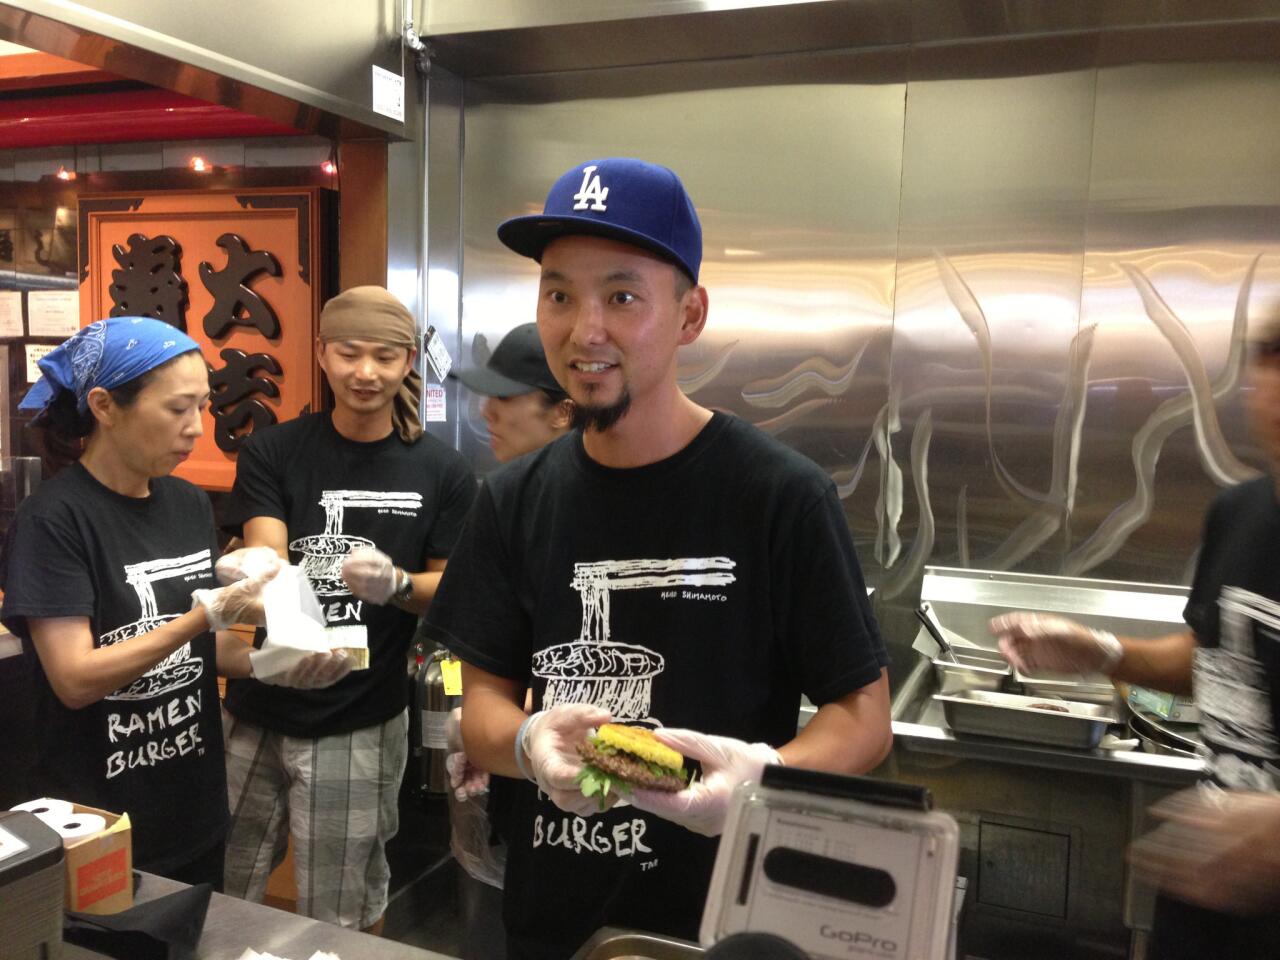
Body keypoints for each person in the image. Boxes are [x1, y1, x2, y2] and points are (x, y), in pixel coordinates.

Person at [424, 157, 892, 959]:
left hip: (723, 923)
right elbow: (484, 709)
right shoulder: (513, 499)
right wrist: (532, 743)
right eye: (559, 294)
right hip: (552, 922)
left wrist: (763, 773)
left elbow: (864, 719)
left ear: (690, 314)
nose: (585, 329)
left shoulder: (779, 495)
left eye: (623, 296)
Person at [0, 317, 348, 888]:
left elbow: (195, 652)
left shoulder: (187, 504)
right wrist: (203, 615)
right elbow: (76, 678)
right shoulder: (55, 521)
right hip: (98, 821)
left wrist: (267, 665)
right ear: (105, 405)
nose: (195, 429)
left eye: (203, 408)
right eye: (177, 409)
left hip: (193, 806)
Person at [990, 311, 1280, 959]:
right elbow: (1218, 657)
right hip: (1214, 904)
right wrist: (1104, 653)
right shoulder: (1242, 514)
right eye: (1272, 357)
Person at [219, 286, 477, 932]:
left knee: (336, 909)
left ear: (409, 361)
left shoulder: (442, 471)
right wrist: (260, 589)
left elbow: (450, 586)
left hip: (361, 718)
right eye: (350, 354)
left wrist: (395, 584)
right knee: (225, 878)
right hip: (257, 709)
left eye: (386, 357)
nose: (367, 373)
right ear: (322, 354)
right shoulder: (273, 452)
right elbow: (268, 556)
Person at [446, 321, 573, 960]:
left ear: (563, 412)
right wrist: (495, 734)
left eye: (507, 397)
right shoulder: (503, 503)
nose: (486, 411)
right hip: (540, 823)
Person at [452, 321, 574, 462]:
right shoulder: (508, 483)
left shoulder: (590, 483)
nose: (486, 412)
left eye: (504, 396)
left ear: (563, 413)